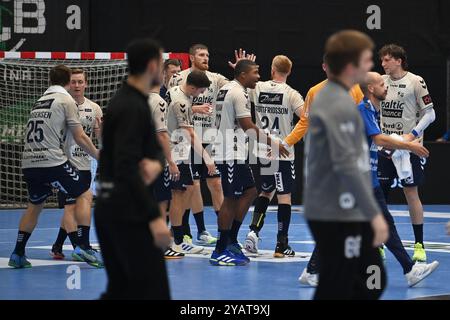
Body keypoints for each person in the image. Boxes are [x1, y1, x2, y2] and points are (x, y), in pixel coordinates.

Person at [304, 30, 388, 299]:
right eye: (366, 61)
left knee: (362, 279)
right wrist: (373, 214)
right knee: (344, 282)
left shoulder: (338, 97)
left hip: (341, 207)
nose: (370, 66)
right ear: (351, 66)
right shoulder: (337, 104)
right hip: (336, 210)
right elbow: (346, 164)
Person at [94, 38, 171, 299]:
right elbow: (126, 166)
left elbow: (148, 151)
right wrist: (154, 217)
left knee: (122, 290)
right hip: (125, 212)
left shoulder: (128, 101)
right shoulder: (131, 107)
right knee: (153, 290)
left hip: (110, 209)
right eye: (162, 64)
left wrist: (156, 162)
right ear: (152, 66)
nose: (163, 70)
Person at [9, 65, 99, 268]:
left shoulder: (39, 101)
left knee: (34, 207)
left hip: (29, 163)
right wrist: (99, 155)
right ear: (68, 80)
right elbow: (80, 136)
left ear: (50, 81)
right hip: (51, 161)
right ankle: (80, 247)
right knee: (84, 193)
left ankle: (18, 253)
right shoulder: (66, 100)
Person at [357, 71, 439, 286]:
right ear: (372, 89)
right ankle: (315, 269)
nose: (386, 87)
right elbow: (379, 138)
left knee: (383, 224)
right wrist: (409, 144)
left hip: (365, 178)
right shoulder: (363, 110)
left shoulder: (372, 111)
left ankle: (410, 270)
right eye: (381, 84)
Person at [168, 45, 255, 246]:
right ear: (191, 57)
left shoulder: (216, 78)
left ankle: (219, 233)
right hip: (185, 138)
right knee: (189, 186)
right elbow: (172, 103)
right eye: (201, 55)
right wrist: (193, 108)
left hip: (209, 136)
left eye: (208, 55)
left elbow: (238, 86)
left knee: (216, 184)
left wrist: (239, 68)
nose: (206, 58)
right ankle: (187, 232)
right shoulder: (178, 78)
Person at [209, 60, 289, 266]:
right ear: (243, 74)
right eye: (255, 72)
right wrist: (274, 143)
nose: (258, 76)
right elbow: (248, 126)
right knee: (229, 199)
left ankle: (232, 239)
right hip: (229, 153)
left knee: (251, 190)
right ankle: (220, 250)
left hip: (234, 152)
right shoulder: (238, 92)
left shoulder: (227, 88)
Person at [378, 44, 436, 262]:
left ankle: (419, 244)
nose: (383, 64)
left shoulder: (415, 81)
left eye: (386, 60)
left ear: (398, 60)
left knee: (411, 193)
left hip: (408, 148)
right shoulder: (380, 82)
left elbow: (430, 114)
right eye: (381, 60)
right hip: (385, 148)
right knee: (380, 195)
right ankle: (380, 244)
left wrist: (412, 134)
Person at [244, 55, 304, 258]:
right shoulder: (291, 94)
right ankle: (281, 244)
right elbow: (307, 118)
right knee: (284, 196)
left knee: (266, 192)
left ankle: (253, 232)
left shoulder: (258, 88)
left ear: (272, 70)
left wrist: (241, 67)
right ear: (289, 71)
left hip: (261, 149)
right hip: (281, 152)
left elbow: (241, 87)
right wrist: (289, 139)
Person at [50, 68, 103, 267]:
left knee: (79, 207)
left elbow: (98, 138)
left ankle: (58, 245)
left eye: (81, 82)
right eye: (73, 82)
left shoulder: (94, 107)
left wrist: (103, 133)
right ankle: (81, 246)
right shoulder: (61, 105)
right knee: (71, 207)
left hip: (87, 165)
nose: (77, 85)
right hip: (65, 164)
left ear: (86, 84)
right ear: (68, 84)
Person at [165, 70, 217, 255]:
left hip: (180, 152)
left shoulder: (175, 91)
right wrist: (207, 158)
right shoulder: (182, 101)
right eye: (201, 91)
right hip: (173, 153)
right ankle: (175, 242)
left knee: (186, 191)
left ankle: (176, 238)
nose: (202, 94)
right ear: (193, 87)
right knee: (177, 196)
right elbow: (190, 133)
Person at [149, 75, 184, 259]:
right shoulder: (159, 101)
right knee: (161, 202)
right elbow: (162, 134)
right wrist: (171, 162)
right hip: (155, 159)